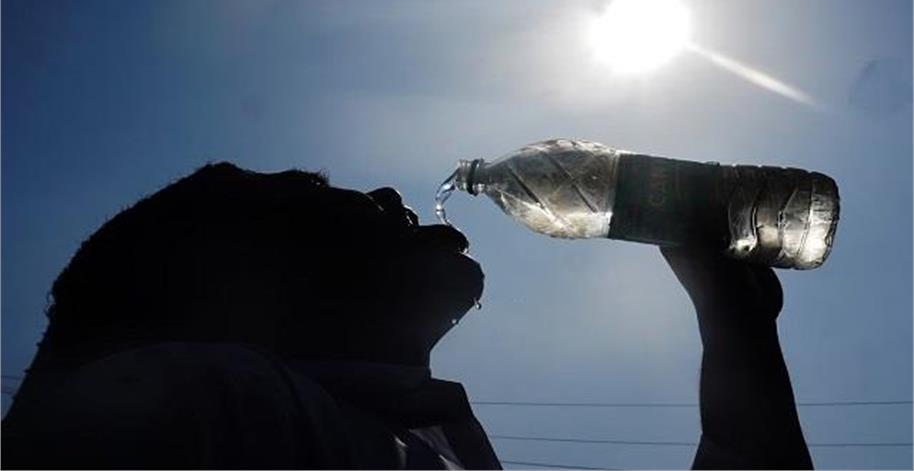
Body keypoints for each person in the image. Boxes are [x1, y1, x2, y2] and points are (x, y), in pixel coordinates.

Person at [2, 162, 813, 469]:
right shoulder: (210, 402)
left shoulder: (383, 436)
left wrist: (735, 321)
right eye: (308, 193)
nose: (387, 192)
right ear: (217, 280)